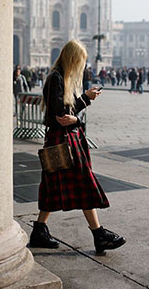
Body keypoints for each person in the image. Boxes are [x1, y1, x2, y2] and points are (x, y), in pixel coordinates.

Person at [29, 40, 126, 255]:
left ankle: (39, 231)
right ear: (72, 59)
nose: (82, 65)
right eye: (81, 60)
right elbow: (63, 115)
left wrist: (81, 104)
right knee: (83, 183)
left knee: (54, 184)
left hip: (64, 140)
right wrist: (83, 103)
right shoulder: (56, 79)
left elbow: (69, 112)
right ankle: (98, 234)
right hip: (64, 140)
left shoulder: (62, 78)